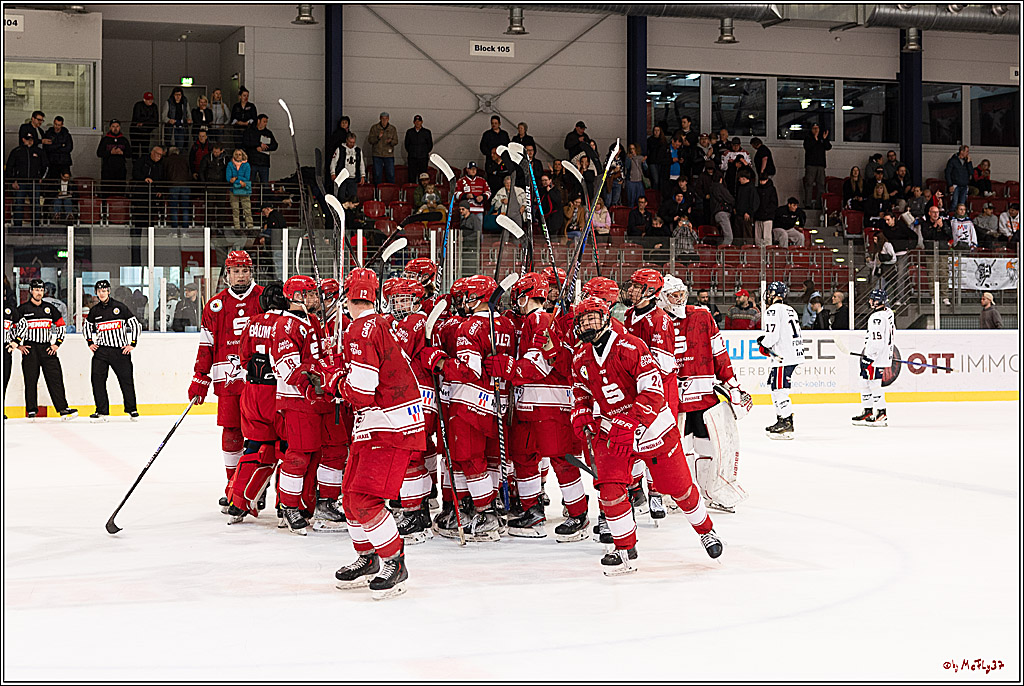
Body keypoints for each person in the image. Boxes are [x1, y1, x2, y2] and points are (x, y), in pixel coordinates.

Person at [569, 296, 723, 574]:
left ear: (606, 318)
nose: (587, 324)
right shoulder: (580, 357)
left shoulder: (631, 346)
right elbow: (581, 393)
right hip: (612, 431)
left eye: (592, 317)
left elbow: (653, 392)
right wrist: (580, 413)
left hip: (653, 430)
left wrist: (630, 423)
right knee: (610, 489)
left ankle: (705, 530)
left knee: (681, 490)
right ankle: (624, 547)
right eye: (582, 320)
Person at [418, 275, 515, 542]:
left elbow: (468, 370)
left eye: (470, 295)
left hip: (470, 404)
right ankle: (491, 507)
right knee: (492, 459)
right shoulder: (505, 323)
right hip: (498, 404)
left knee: (469, 460)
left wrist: (438, 362)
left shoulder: (469, 327)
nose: (465, 300)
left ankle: (485, 514)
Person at [660, 277, 751, 513]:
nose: (679, 299)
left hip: (702, 397)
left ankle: (712, 491)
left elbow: (719, 352)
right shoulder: (655, 322)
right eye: (673, 295)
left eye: (681, 293)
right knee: (680, 450)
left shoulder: (701, 316)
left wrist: (732, 384)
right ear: (662, 298)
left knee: (709, 449)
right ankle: (681, 495)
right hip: (673, 401)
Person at [187, 251, 264, 512]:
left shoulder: (264, 298)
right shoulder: (215, 305)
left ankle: (257, 486)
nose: (240, 275)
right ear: (227, 274)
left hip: (261, 382)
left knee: (261, 436)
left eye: (244, 270)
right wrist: (200, 377)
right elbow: (206, 345)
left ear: (251, 271)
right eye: (235, 270)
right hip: (228, 381)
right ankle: (233, 486)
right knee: (232, 433)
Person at [223, 282, 288, 524]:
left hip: (251, 393)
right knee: (288, 450)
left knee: (255, 448)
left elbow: (243, 358)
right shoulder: (288, 323)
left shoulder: (252, 322)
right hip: (278, 393)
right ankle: (285, 507)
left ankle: (237, 503)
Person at [9, 279, 76, 419]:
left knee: (55, 378)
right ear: (31, 291)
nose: (39, 292)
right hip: (30, 348)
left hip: (47, 348)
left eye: (41, 290)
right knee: (31, 379)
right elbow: (11, 327)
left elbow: (61, 325)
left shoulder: (49, 308)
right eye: (36, 289)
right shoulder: (22, 309)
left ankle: (63, 408)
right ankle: (31, 410)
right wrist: (19, 345)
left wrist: (57, 343)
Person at [83, 279, 141, 421]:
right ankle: (101, 410)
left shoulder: (119, 307)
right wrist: (90, 342)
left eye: (104, 291)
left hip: (120, 350)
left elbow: (135, 325)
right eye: (99, 291)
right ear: (96, 293)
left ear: (108, 291)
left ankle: (132, 409)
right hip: (101, 351)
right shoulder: (94, 310)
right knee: (97, 380)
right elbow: (86, 327)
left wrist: (132, 343)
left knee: (126, 380)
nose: (102, 294)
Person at [758, 281, 803, 439]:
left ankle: (786, 422)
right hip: (790, 354)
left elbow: (773, 336)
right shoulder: (790, 309)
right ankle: (781, 419)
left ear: (773, 294)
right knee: (775, 387)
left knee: (780, 390)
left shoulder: (773, 310)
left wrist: (764, 344)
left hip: (782, 356)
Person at [852, 288, 894, 427]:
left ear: (877, 301)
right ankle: (868, 411)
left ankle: (881, 414)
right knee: (863, 382)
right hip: (879, 355)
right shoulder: (887, 313)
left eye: (872, 299)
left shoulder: (877, 317)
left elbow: (877, 341)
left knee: (874, 384)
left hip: (876, 358)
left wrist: (869, 357)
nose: (870, 301)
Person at [6, 134, 48, 227]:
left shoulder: (39, 151)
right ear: (23, 139)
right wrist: (13, 181)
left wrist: (41, 177)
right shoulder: (17, 151)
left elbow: (45, 166)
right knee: (19, 205)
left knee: (36, 205)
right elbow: (9, 167)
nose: (30, 141)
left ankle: (36, 226)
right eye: (28, 139)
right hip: (20, 183)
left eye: (32, 139)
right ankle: (17, 226)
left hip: (34, 183)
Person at [96, 119, 131, 198]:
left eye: (117, 126)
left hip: (120, 169)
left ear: (120, 127)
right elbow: (99, 153)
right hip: (107, 169)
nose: (115, 128)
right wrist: (110, 152)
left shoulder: (124, 140)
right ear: (110, 128)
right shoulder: (105, 140)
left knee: (120, 188)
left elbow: (130, 154)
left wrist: (122, 153)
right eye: (113, 126)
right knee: (107, 189)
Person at [131, 145, 164, 228]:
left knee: (151, 218)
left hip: (152, 195)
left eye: (161, 155)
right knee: (139, 218)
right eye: (157, 154)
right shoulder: (142, 160)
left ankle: (150, 238)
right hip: (141, 193)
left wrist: (159, 190)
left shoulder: (160, 165)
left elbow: (161, 178)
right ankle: (136, 239)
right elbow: (135, 173)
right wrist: (144, 178)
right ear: (152, 152)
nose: (159, 156)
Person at [241, 114, 278, 185]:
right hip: (252, 161)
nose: (265, 124)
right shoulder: (249, 131)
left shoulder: (268, 133)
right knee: (249, 183)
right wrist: (257, 145)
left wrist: (265, 148)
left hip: (264, 162)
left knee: (265, 184)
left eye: (266, 122)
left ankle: (265, 196)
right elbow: (245, 143)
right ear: (258, 121)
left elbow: (275, 145)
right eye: (264, 121)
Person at [802, 123, 831, 209]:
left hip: (821, 165)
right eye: (814, 128)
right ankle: (808, 204)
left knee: (821, 185)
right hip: (811, 165)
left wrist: (825, 139)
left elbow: (828, 147)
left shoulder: (822, 137)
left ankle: (819, 204)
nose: (816, 130)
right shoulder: (808, 138)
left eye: (817, 128)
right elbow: (807, 147)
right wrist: (815, 139)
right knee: (809, 184)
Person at [330, 132, 365, 202]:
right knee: (341, 197)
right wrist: (333, 173)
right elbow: (333, 162)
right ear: (346, 140)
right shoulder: (340, 149)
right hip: (342, 178)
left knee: (352, 198)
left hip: (353, 178)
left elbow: (361, 163)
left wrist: (362, 175)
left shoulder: (358, 151)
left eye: (353, 142)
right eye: (350, 142)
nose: (352, 144)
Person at [226, 149, 254, 238]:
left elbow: (247, 177)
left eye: (240, 154)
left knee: (247, 209)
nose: (238, 156)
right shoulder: (230, 165)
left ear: (243, 156)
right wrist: (240, 180)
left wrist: (236, 179)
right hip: (233, 190)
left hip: (244, 190)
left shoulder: (247, 165)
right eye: (236, 154)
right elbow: (228, 178)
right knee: (235, 210)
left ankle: (250, 227)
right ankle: (237, 227)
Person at [163, 147, 191, 231]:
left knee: (174, 207)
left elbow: (165, 174)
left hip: (173, 185)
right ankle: (185, 228)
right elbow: (189, 173)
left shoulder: (167, 160)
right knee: (185, 207)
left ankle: (174, 228)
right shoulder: (184, 160)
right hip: (185, 185)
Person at [403, 114, 432, 183]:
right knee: (412, 175)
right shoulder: (409, 132)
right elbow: (406, 144)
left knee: (423, 176)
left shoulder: (426, 132)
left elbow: (430, 145)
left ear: (421, 122)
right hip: (412, 158)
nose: (417, 123)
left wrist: (424, 152)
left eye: (419, 121)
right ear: (413, 122)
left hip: (423, 158)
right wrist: (411, 152)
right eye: (416, 121)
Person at [733, 169, 759, 245]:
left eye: (740, 178)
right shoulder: (740, 187)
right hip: (738, 215)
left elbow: (755, 202)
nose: (739, 180)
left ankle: (748, 251)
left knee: (747, 235)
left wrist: (749, 212)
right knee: (738, 236)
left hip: (746, 216)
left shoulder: (751, 188)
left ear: (744, 178)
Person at [944, 145, 972, 210]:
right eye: (967, 151)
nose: (968, 153)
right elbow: (947, 173)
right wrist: (950, 185)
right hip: (955, 185)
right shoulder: (953, 161)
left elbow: (971, 172)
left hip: (964, 185)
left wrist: (969, 163)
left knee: (962, 204)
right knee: (954, 203)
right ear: (962, 152)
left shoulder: (967, 161)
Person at [162, 86, 191, 151]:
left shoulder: (185, 103)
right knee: (171, 146)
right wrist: (169, 120)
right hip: (172, 127)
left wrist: (189, 119)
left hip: (182, 126)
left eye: (179, 95)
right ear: (173, 95)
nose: (178, 96)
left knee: (180, 146)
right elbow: (164, 116)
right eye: (176, 95)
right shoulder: (168, 102)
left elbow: (188, 113)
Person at [710, 176, 736, 246]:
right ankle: (722, 254)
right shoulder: (720, 187)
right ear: (721, 179)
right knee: (729, 237)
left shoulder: (711, 188)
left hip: (716, 214)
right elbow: (730, 199)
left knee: (722, 237)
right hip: (722, 213)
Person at [753, 174, 778, 248]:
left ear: (767, 180)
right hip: (759, 216)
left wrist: (767, 211)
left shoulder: (771, 189)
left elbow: (774, 204)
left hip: (767, 217)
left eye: (763, 180)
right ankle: (760, 255)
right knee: (758, 239)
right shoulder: (757, 189)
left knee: (767, 238)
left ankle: (767, 256)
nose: (761, 182)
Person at [538, 172, 563, 236]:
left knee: (553, 237)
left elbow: (557, 201)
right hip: (544, 218)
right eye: (542, 180)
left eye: (546, 180)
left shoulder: (556, 190)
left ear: (550, 180)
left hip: (554, 219)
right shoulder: (541, 190)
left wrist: (550, 191)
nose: (544, 182)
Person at [624, 143, 647, 208]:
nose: (632, 150)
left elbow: (645, 168)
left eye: (633, 148)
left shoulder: (640, 157)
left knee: (640, 199)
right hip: (631, 181)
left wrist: (644, 162)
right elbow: (627, 167)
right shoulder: (628, 158)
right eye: (630, 149)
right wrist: (629, 159)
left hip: (639, 181)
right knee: (631, 200)